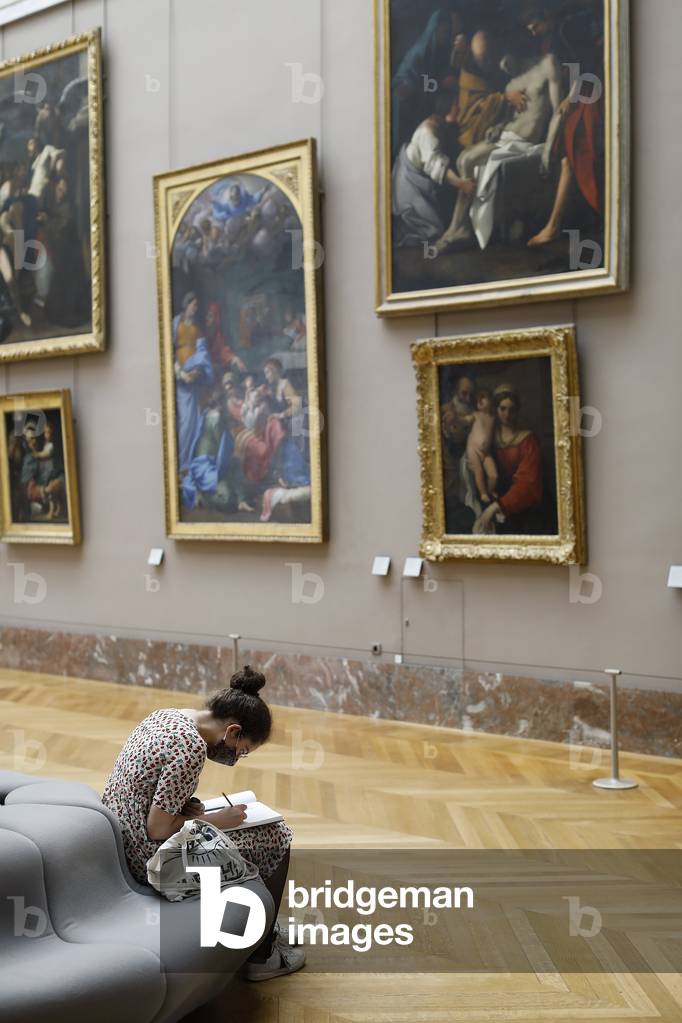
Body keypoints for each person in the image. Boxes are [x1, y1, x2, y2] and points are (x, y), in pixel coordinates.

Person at [102, 666, 304, 981]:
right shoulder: (192, 748)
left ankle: (260, 926)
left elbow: (149, 789)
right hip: (149, 859)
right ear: (233, 731)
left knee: (258, 833)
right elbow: (158, 829)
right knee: (275, 837)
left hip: (120, 837)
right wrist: (219, 820)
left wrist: (186, 807)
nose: (237, 756)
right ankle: (263, 954)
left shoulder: (168, 716)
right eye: (243, 750)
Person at [392, 89, 476, 247]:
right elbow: (436, 166)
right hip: (409, 183)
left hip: (419, 180)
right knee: (433, 230)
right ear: (448, 108)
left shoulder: (439, 124)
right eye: (457, 105)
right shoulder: (428, 131)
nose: (460, 108)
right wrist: (461, 183)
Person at [474, 384, 544, 535]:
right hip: (495, 503)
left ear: (517, 411)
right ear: (496, 409)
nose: (507, 414)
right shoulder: (490, 438)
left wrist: (496, 507)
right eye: (502, 409)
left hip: (522, 508)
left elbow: (528, 484)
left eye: (512, 410)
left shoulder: (528, 439)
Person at [465, 388, 497, 504]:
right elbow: (466, 420)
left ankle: (489, 491)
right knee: (478, 471)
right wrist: (458, 420)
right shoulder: (475, 415)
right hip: (473, 449)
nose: (479, 400)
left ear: (491, 401)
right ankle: (483, 493)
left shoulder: (493, 418)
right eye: (478, 399)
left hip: (486, 452)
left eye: (483, 397)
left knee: (493, 475)